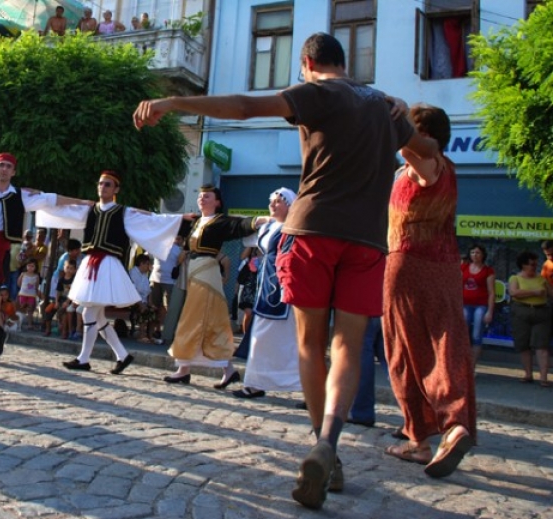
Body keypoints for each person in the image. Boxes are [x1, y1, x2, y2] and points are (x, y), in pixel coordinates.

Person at [133, 32, 437, 509]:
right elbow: (426, 152)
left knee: (310, 343)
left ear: (308, 63)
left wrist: (173, 101)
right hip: (367, 240)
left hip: (313, 231)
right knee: (348, 346)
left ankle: (321, 442)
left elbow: (242, 106)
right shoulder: (383, 106)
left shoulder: (316, 92)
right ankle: (330, 443)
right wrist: (402, 110)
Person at [382, 104, 477, 479]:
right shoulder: (436, 168)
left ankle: (434, 433)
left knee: (404, 352)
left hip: (408, 264)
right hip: (442, 267)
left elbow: (407, 147)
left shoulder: (427, 162)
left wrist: (395, 118)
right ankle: (439, 429)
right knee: (443, 343)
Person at [38, 170, 186, 374]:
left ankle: (85, 359)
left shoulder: (123, 212)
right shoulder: (90, 210)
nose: (103, 187)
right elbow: (67, 211)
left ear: (116, 189)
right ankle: (122, 356)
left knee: (90, 312)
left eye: (108, 184)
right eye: (101, 183)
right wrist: (41, 201)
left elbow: (150, 219)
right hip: (90, 264)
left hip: (107, 265)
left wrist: (180, 219)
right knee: (97, 317)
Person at [0, 152, 88, 361]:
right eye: (1, 165)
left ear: (13, 172)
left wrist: (84, 202)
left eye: (8, 166)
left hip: (1, 255)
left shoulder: (20, 196)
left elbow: (51, 199)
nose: (4, 169)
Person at [162, 184, 257, 387]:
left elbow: (240, 225)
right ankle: (219, 370)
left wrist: (261, 220)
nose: (202, 199)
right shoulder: (195, 222)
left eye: (207, 196)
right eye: (201, 196)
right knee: (199, 317)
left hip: (207, 272)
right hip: (194, 272)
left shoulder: (220, 221)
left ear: (217, 202)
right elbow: (170, 227)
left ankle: (187, 369)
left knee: (198, 317)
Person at [231, 188, 301, 399]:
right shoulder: (269, 227)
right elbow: (243, 229)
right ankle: (255, 383)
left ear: (290, 205)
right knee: (261, 337)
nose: (272, 204)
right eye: (271, 201)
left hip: (280, 286)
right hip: (265, 284)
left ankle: (305, 386)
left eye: (278, 201)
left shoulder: (293, 228)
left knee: (287, 340)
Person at [508, 250, 551, 387]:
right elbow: (514, 292)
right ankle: (528, 373)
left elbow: (550, 293)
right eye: (531, 264)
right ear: (524, 265)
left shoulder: (541, 279)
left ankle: (543, 376)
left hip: (541, 312)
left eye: (535, 264)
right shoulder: (515, 278)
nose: (534, 266)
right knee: (523, 343)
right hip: (521, 311)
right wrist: (533, 292)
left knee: (541, 345)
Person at [462, 243, 495, 371]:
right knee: (463, 334)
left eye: (478, 253)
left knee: (476, 335)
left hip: (480, 306)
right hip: (464, 304)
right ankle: (461, 366)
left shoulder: (488, 270)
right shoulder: (463, 267)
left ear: (483, 255)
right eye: (473, 253)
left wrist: (490, 312)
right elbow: (456, 287)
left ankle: (472, 367)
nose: (475, 255)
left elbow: (492, 292)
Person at [149, 234, 181, 340]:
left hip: (169, 281)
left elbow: (181, 261)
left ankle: (166, 330)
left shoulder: (177, 249)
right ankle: (154, 330)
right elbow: (148, 256)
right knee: (154, 306)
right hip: (156, 279)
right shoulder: (157, 246)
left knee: (167, 307)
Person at [128, 253, 155, 342]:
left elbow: (149, 291)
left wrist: (150, 303)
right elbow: (133, 290)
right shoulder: (133, 273)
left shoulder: (144, 275)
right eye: (147, 264)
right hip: (133, 299)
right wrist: (141, 304)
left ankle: (150, 336)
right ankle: (141, 335)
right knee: (143, 310)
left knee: (153, 310)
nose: (149, 266)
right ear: (142, 263)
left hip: (143, 300)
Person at [17, 259, 40, 329]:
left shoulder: (36, 276)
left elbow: (37, 286)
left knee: (30, 310)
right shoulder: (23, 274)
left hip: (31, 295)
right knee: (21, 308)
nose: (30, 268)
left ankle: (30, 324)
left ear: (35, 267)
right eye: (29, 266)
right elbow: (18, 283)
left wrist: (37, 294)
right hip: (22, 294)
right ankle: (19, 323)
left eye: (32, 266)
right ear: (26, 266)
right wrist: (22, 289)